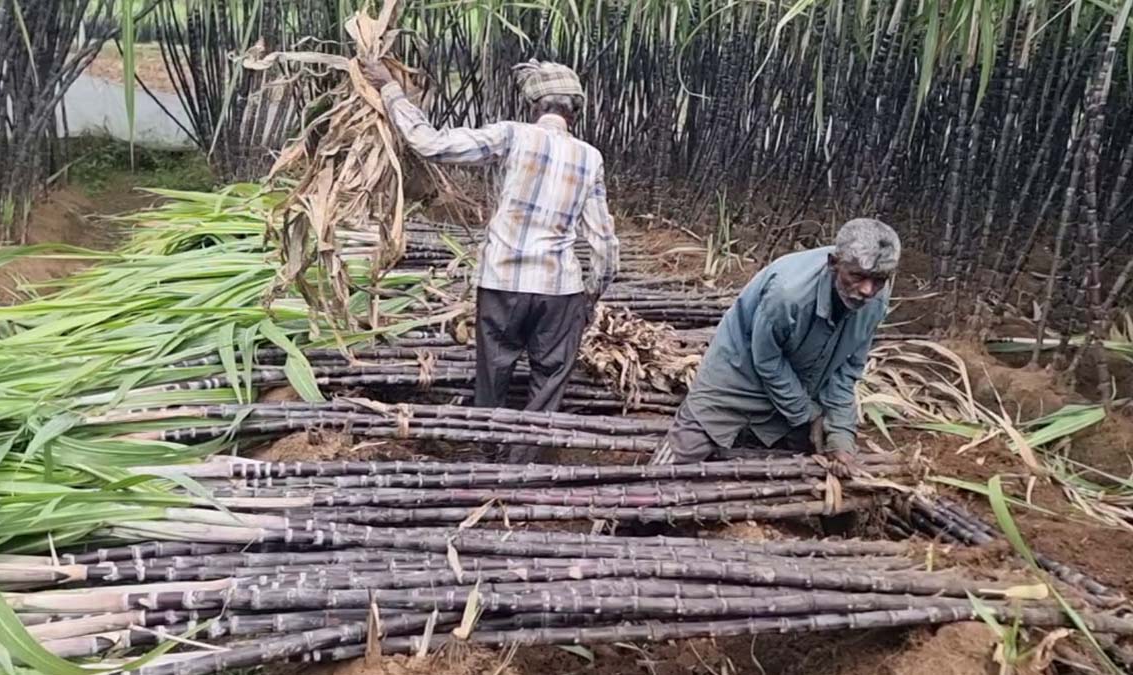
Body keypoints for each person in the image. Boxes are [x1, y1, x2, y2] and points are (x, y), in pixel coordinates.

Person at [363, 59, 619, 457]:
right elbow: (602, 241)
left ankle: (485, 454)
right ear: (575, 111)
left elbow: (430, 144)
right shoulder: (591, 158)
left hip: (501, 282)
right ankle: (521, 466)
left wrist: (390, 90)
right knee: (549, 381)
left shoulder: (512, 136)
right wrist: (591, 294)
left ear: (535, 106)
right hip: (559, 289)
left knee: (494, 377)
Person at [651, 218, 900, 476]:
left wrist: (840, 435)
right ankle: (630, 512)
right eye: (857, 276)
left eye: (879, 279)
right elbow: (766, 361)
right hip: (738, 374)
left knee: (836, 472)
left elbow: (846, 370)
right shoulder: (788, 293)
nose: (868, 290)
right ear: (833, 264)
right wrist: (807, 414)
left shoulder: (876, 298)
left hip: (804, 382)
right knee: (676, 460)